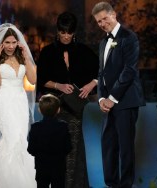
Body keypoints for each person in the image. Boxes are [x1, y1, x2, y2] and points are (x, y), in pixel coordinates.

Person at [36, 11, 99, 188]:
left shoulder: (84, 52)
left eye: (69, 32)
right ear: (57, 31)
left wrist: (89, 86)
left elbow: (100, 72)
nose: (65, 36)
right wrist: (59, 85)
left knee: (73, 150)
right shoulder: (48, 52)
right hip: (54, 107)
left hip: (74, 108)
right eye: (62, 32)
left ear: (74, 32)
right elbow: (40, 80)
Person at [91, 2, 146, 188]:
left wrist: (111, 99)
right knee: (108, 146)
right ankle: (111, 184)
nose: (102, 23)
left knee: (125, 148)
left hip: (126, 101)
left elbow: (129, 71)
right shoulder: (103, 42)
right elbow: (101, 74)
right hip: (108, 103)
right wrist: (100, 98)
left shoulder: (129, 37)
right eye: (99, 21)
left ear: (114, 15)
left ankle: (125, 186)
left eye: (105, 18)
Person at [0, 23, 37, 188]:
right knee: (10, 141)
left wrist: (26, 58)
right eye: (7, 43)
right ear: (1, 43)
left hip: (20, 101)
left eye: (13, 42)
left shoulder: (21, 57)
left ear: (18, 42)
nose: (11, 46)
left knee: (21, 140)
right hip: (4, 100)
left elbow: (32, 80)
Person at [27, 94, 72, 188]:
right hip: (59, 167)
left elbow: (31, 149)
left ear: (39, 110)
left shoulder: (35, 127)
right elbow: (68, 147)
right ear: (58, 109)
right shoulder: (63, 126)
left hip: (41, 167)